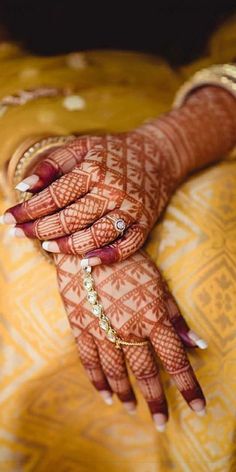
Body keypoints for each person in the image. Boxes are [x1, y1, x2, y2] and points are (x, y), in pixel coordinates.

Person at [0, 8, 236, 471]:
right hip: (18, 96)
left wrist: (171, 143)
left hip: (199, 99)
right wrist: (64, 202)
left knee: (211, 234)